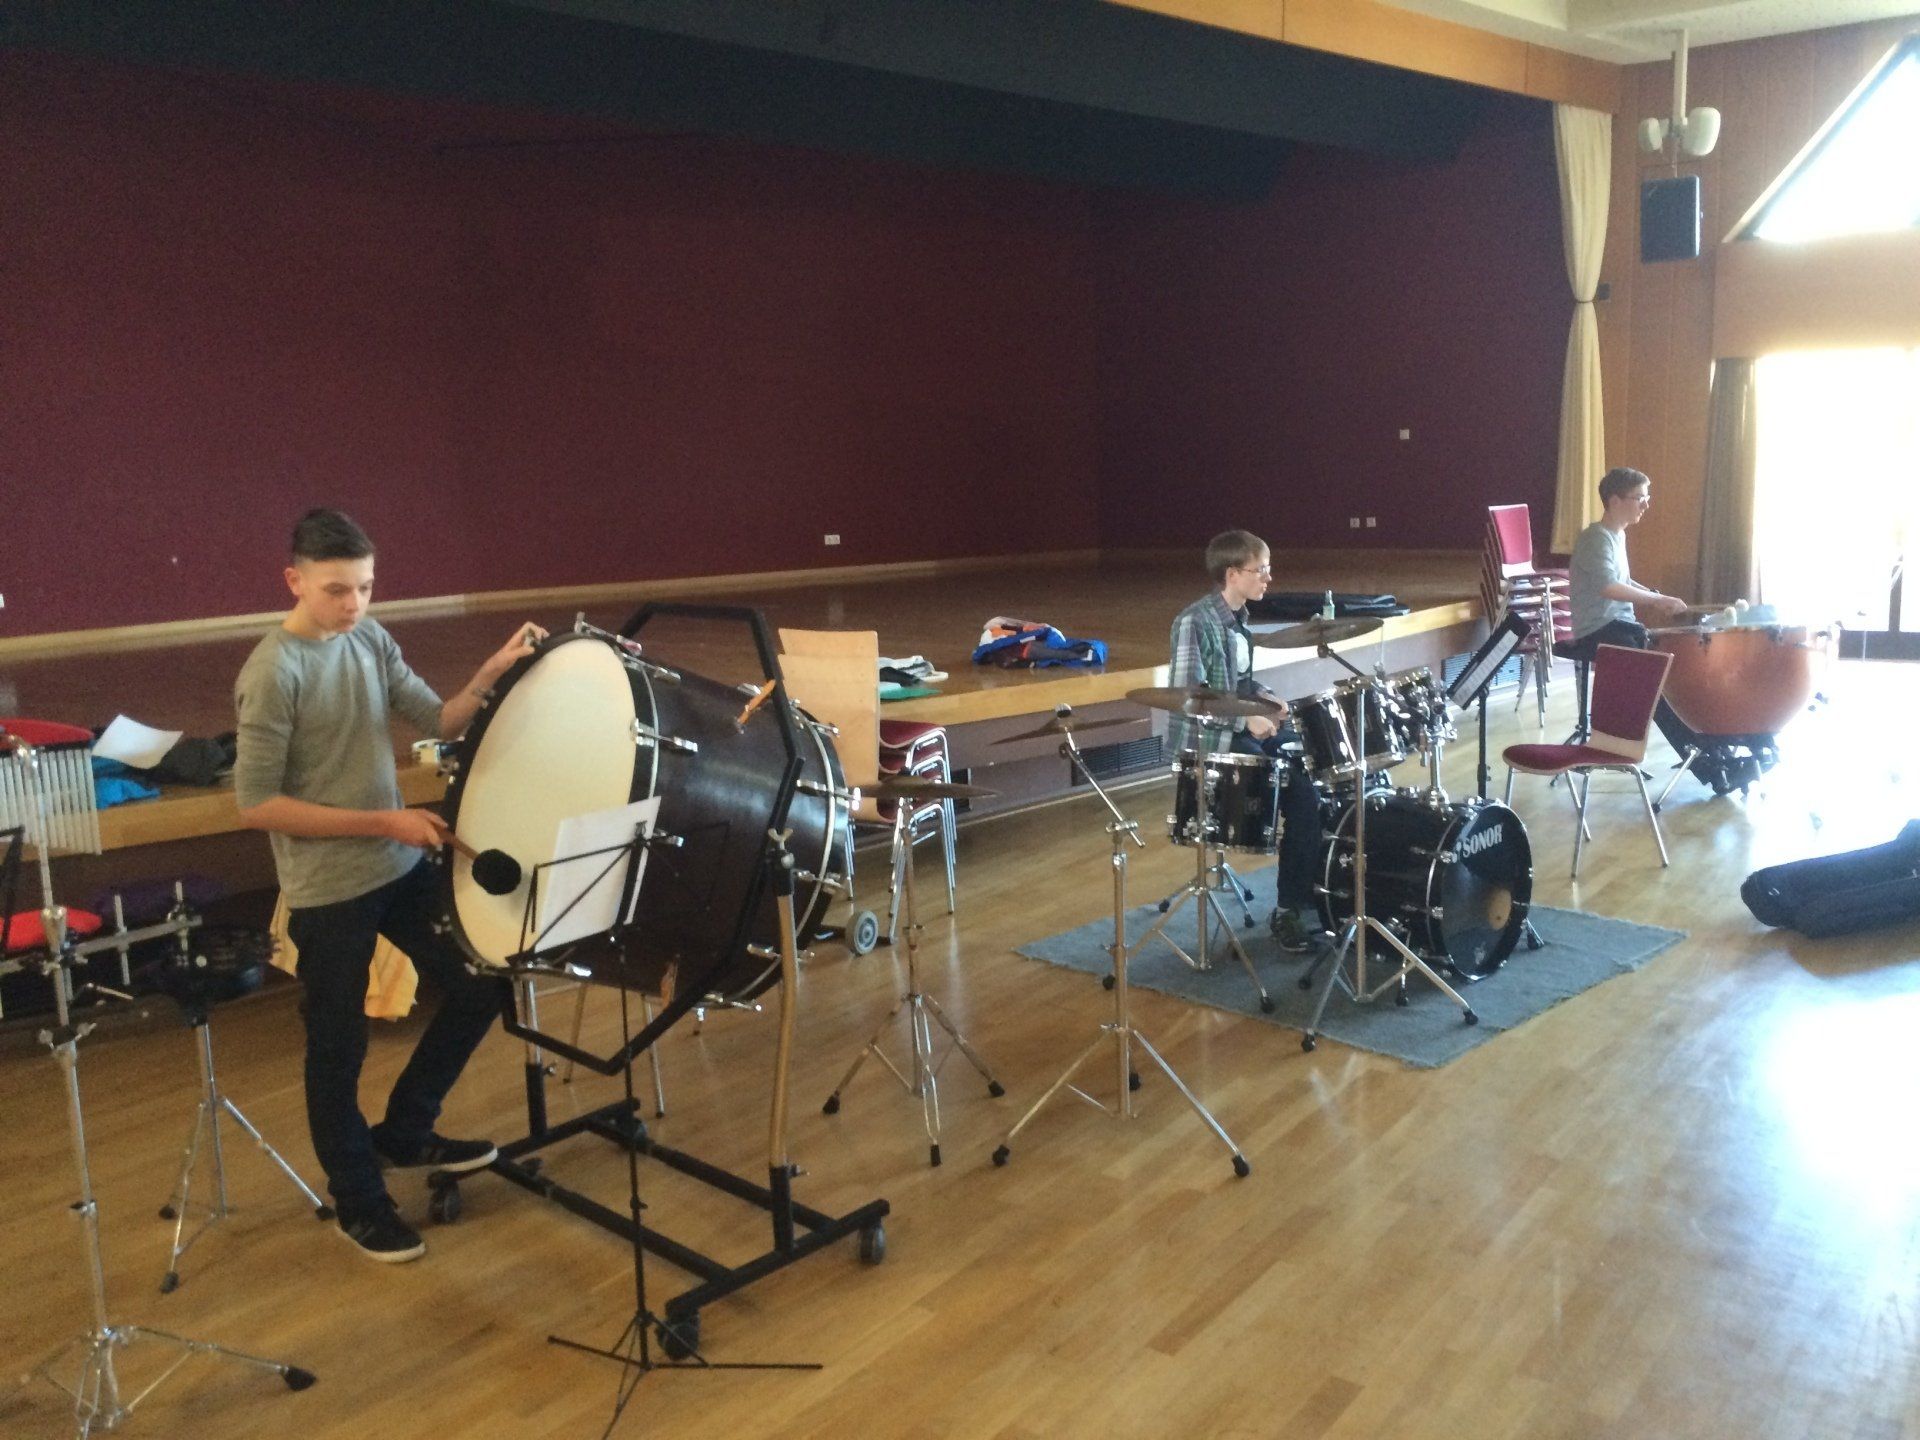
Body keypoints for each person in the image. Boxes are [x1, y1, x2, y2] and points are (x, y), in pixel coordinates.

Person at [235, 509, 548, 1262]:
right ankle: (359, 1201)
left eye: (366, 587)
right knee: (337, 1049)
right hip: (327, 890)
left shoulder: (370, 640)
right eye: (337, 589)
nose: (354, 604)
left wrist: (490, 674)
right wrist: (386, 820)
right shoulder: (273, 673)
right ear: (294, 580)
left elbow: (439, 718)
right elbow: (257, 805)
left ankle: (406, 1132)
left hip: (396, 868)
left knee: (481, 982)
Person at [1168, 530, 1321, 951]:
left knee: (1310, 772)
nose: (1268, 578)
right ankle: (1290, 910)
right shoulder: (1194, 622)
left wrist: (1266, 699)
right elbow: (1189, 697)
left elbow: (1239, 684)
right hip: (1207, 742)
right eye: (1261, 570)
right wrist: (1244, 720)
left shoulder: (1239, 620)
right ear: (1232, 574)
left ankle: (1301, 900)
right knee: (1291, 783)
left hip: (1234, 728)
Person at [1565, 466, 1757, 788]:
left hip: (1620, 626)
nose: (1646, 504)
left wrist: (1657, 597)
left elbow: (1624, 581)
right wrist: (1657, 600)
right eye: (1639, 497)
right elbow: (1609, 587)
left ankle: (1717, 755)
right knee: (1657, 692)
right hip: (1599, 631)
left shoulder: (1616, 535)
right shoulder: (1595, 538)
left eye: (1647, 496)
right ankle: (1712, 770)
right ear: (1615, 500)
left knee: (1675, 682)